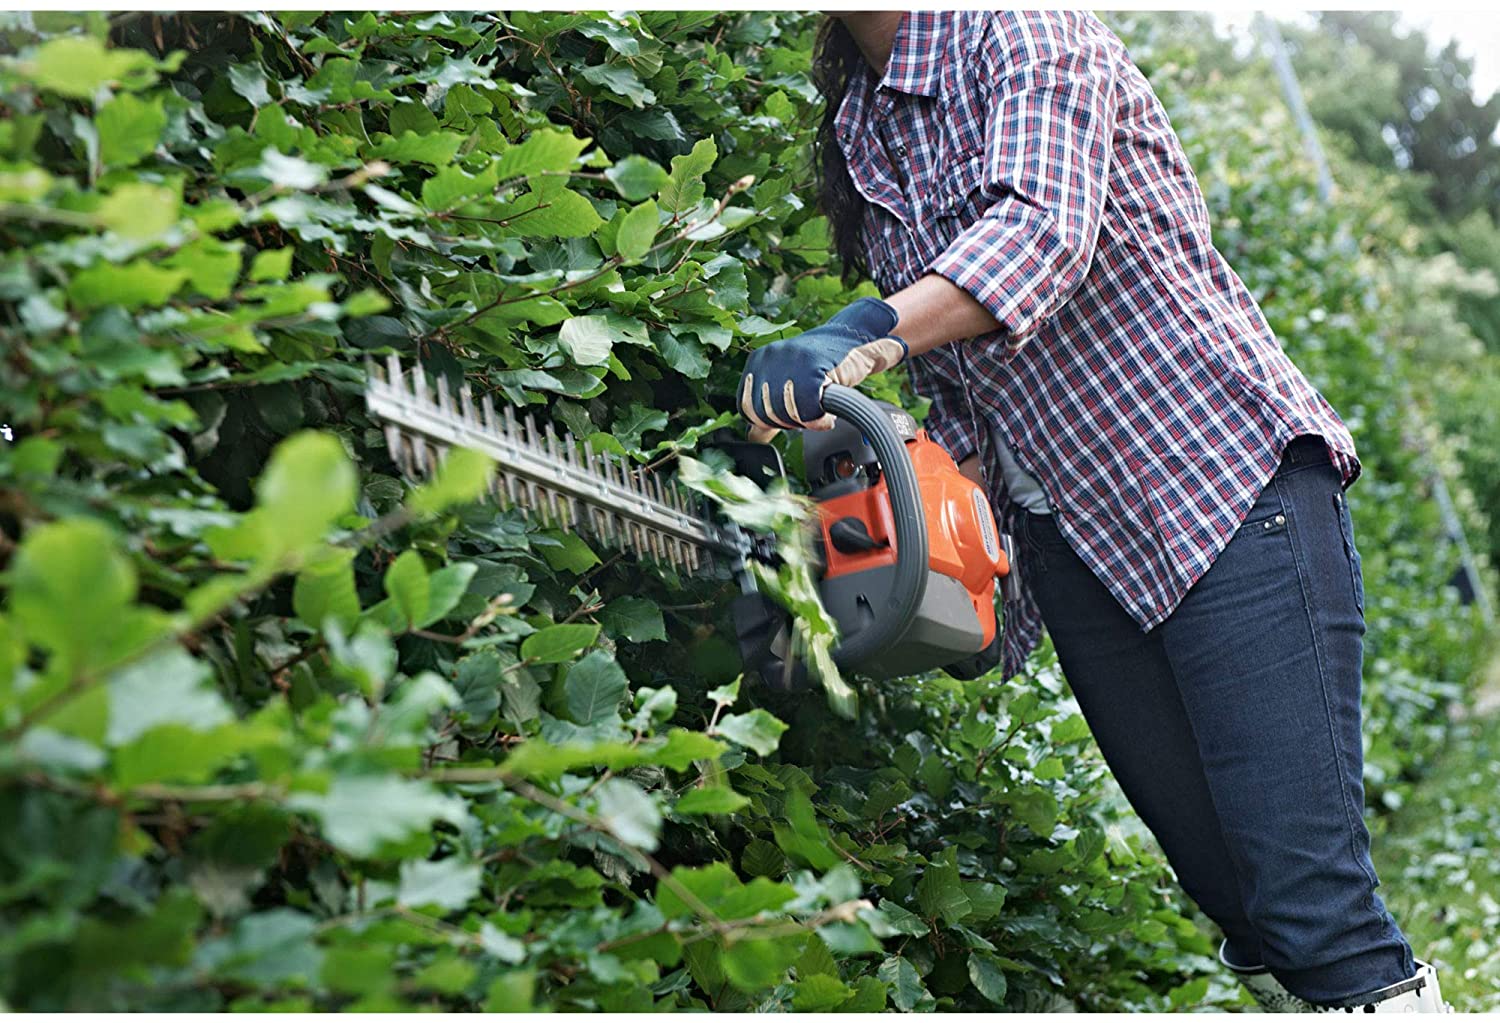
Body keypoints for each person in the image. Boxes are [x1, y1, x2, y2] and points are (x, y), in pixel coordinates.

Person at [738, 11, 1449, 1013]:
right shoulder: (864, 116)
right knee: (1237, 900)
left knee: (1310, 907)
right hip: (1079, 542)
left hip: (1224, 488)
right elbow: (970, 396)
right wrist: (879, 552)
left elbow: (1040, 228)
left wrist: (865, 330)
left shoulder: (1024, 28)